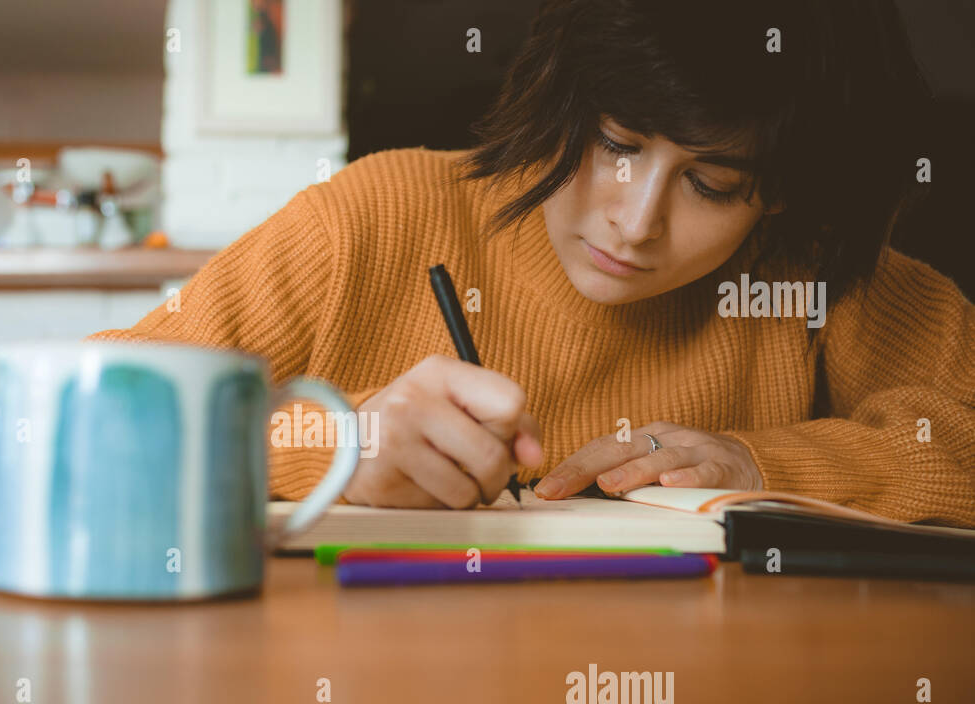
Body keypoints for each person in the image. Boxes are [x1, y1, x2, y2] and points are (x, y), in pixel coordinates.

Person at [89, 0, 975, 527]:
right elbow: (93, 414)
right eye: (612, 141)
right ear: (560, 97)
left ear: (782, 193)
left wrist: (766, 469)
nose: (634, 224)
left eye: (711, 184)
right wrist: (332, 446)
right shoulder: (372, 219)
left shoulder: (811, 273)